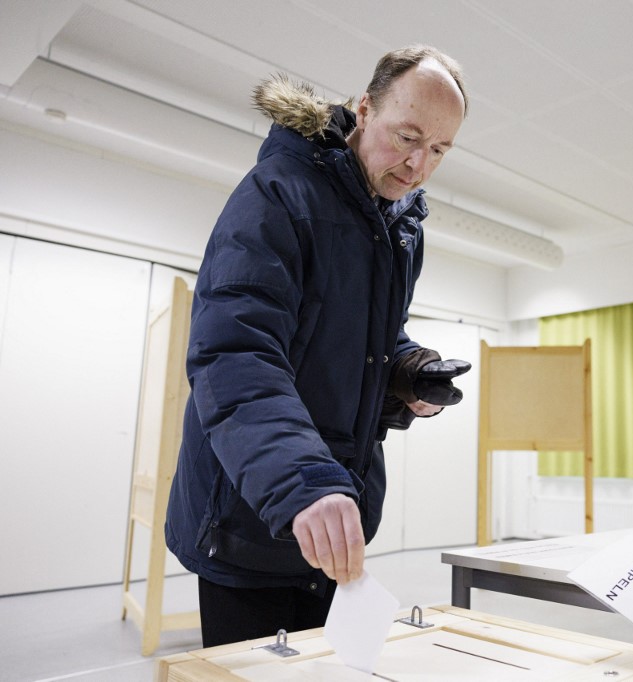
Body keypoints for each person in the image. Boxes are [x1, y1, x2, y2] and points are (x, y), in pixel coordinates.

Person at [165, 45, 472, 647]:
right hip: (257, 508)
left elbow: (361, 342)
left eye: (438, 150)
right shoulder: (277, 195)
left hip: (333, 508)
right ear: (363, 108)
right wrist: (305, 482)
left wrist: (407, 372)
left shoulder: (400, 226)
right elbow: (236, 352)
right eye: (406, 136)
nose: (417, 165)